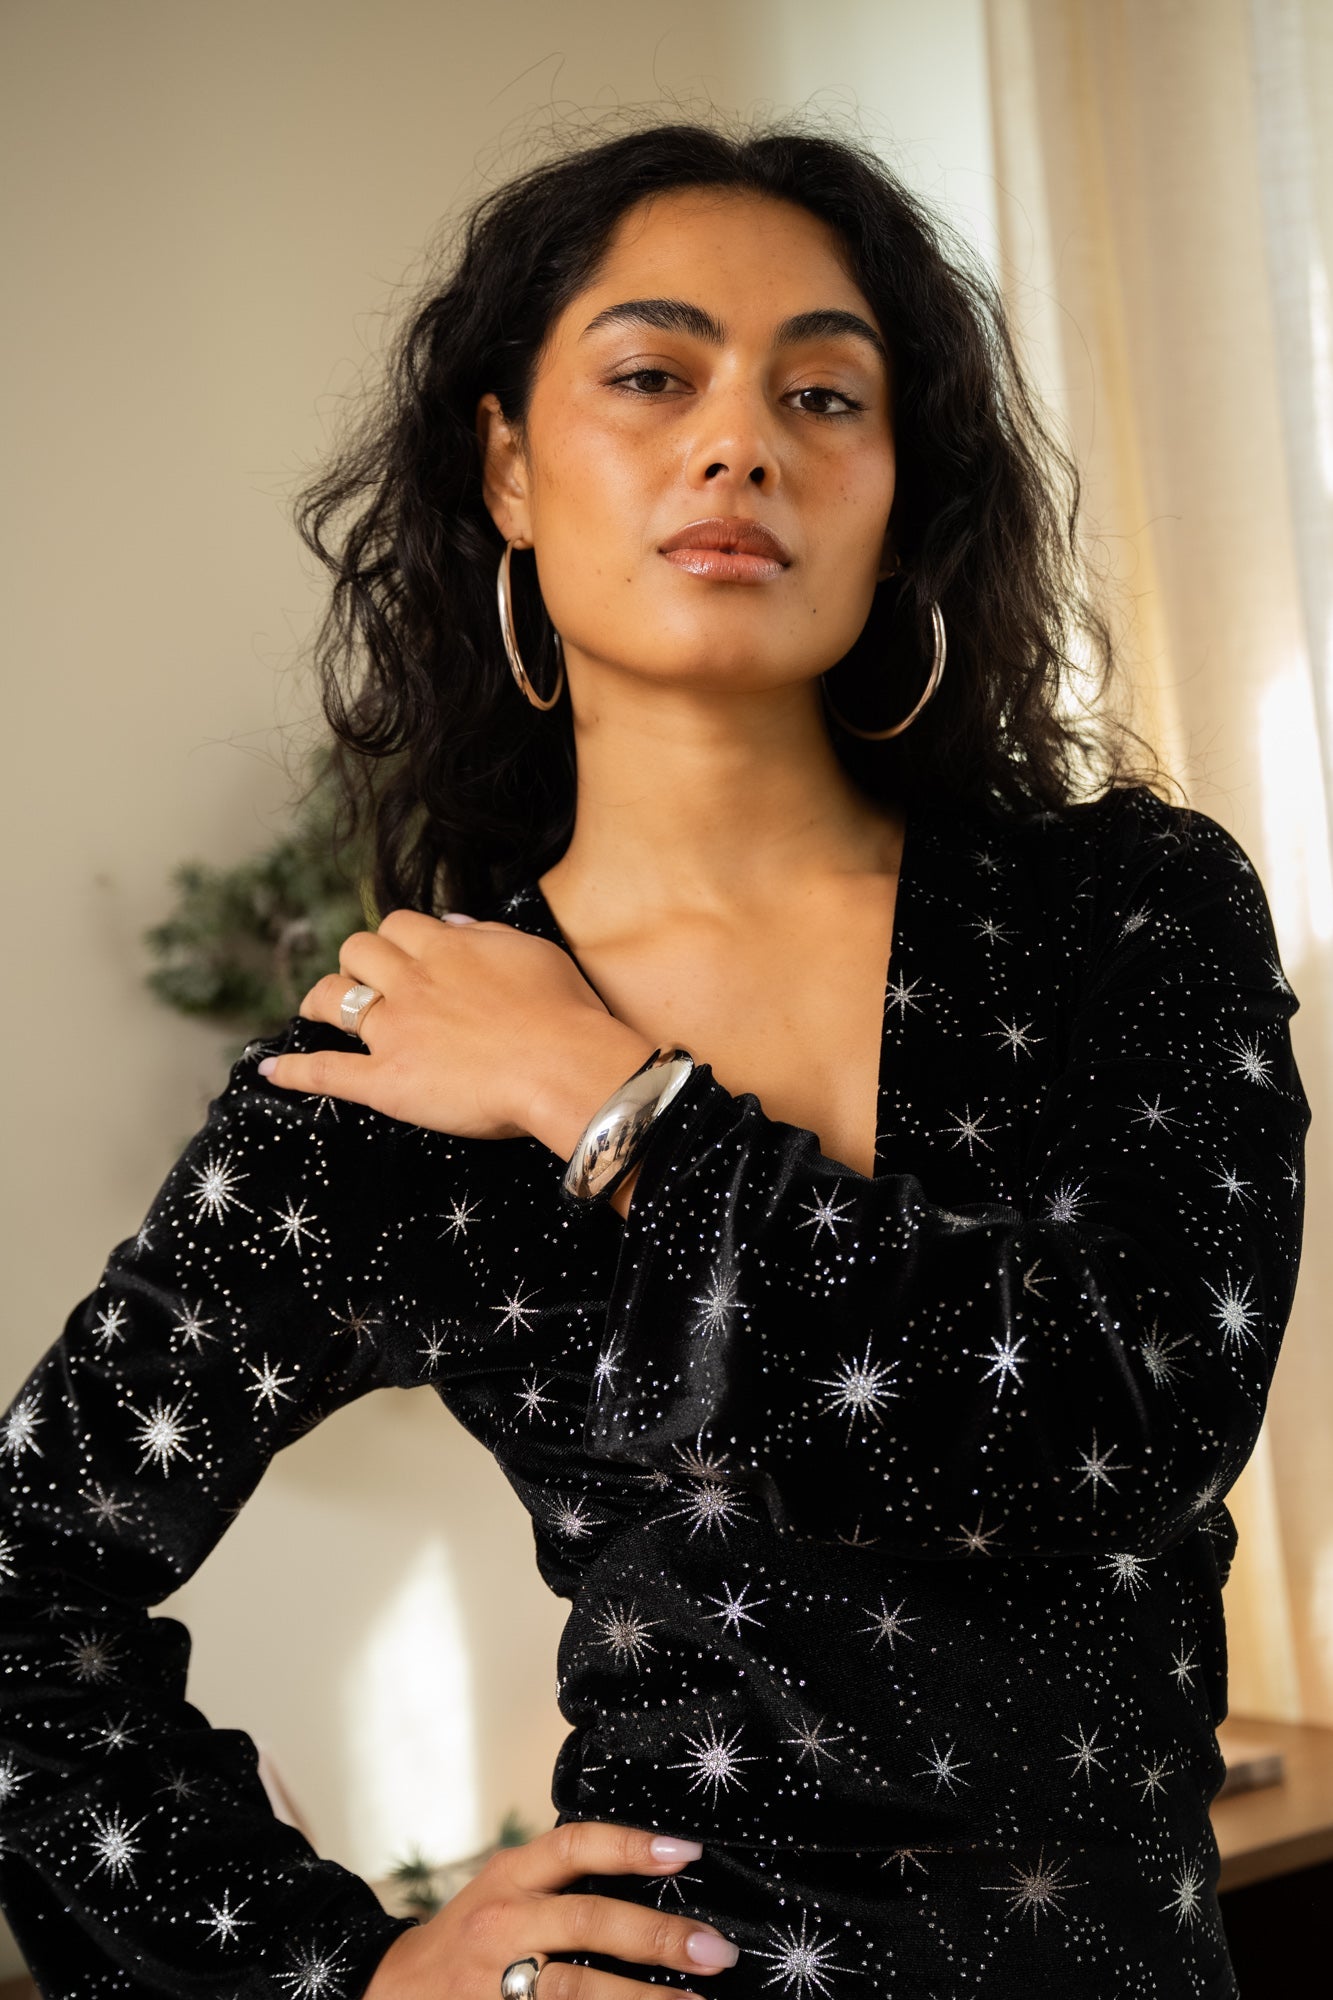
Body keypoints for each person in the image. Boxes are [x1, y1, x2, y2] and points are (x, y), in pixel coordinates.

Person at [0, 115, 1309, 2000]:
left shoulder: (1121, 912)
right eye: (650, 375)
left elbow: (1129, 1428)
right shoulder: (404, 1063)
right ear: (507, 466)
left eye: (823, 395)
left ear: (898, 491)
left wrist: (610, 1106)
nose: (739, 441)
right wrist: (350, 1975)